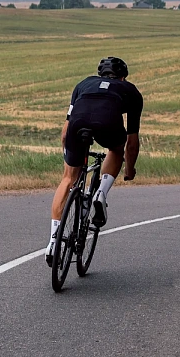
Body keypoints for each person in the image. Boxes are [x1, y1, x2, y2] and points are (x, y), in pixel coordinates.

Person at [48, 56, 142, 263]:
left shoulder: (83, 84)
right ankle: (101, 193)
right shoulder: (130, 91)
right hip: (108, 122)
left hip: (77, 124)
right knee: (116, 149)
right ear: (123, 77)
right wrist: (129, 170)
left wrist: (70, 154)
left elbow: (65, 132)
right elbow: (132, 142)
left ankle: (53, 242)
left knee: (67, 180)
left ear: (99, 74)